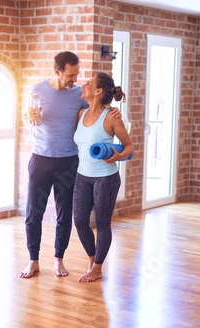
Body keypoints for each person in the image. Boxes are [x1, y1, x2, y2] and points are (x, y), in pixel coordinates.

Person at [20, 52, 120, 279]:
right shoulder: (36, 90)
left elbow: (100, 103)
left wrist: (114, 110)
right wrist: (27, 117)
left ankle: (59, 259)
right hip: (40, 159)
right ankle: (33, 260)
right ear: (57, 71)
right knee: (33, 212)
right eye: (71, 75)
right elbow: (29, 116)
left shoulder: (77, 94)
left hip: (68, 161)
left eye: (77, 75)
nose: (75, 80)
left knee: (65, 214)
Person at [73, 72, 134, 282]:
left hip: (105, 178)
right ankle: (92, 260)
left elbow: (129, 146)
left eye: (88, 83)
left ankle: (98, 267)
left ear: (98, 91)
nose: (84, 84)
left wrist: (117, 156)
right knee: (80, 222)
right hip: (83, 176)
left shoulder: (111, 117)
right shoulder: (81, 115)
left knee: (102, 222)